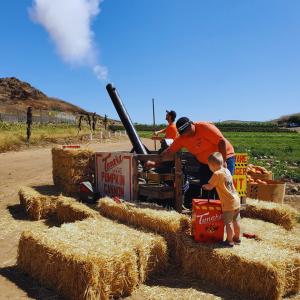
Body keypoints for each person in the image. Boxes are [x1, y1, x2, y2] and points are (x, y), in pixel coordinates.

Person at [146, 117, 236, 199]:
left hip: (225, 157)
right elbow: (169, 151)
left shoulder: (204, 127)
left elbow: (221, 141)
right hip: (206, 164)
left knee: (223, 188)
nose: (187, 135)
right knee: (206, 188)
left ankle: (227, 214)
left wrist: (223, 161)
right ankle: (208, 214)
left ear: (192, 124)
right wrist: (155, 163)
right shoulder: (181, 139)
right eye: (184, 133)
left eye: (188, 131)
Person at [202, 152, 241, 247]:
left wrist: (205, 186)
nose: (209, 168)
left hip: (228, 203)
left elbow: (210, 186)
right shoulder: (226, 170)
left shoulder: (217, 174)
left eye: (209, 166)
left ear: (213, 165)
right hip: (236, 199)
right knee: (236, 220)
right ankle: (237, 238)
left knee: (228, 222)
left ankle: (229, 241)